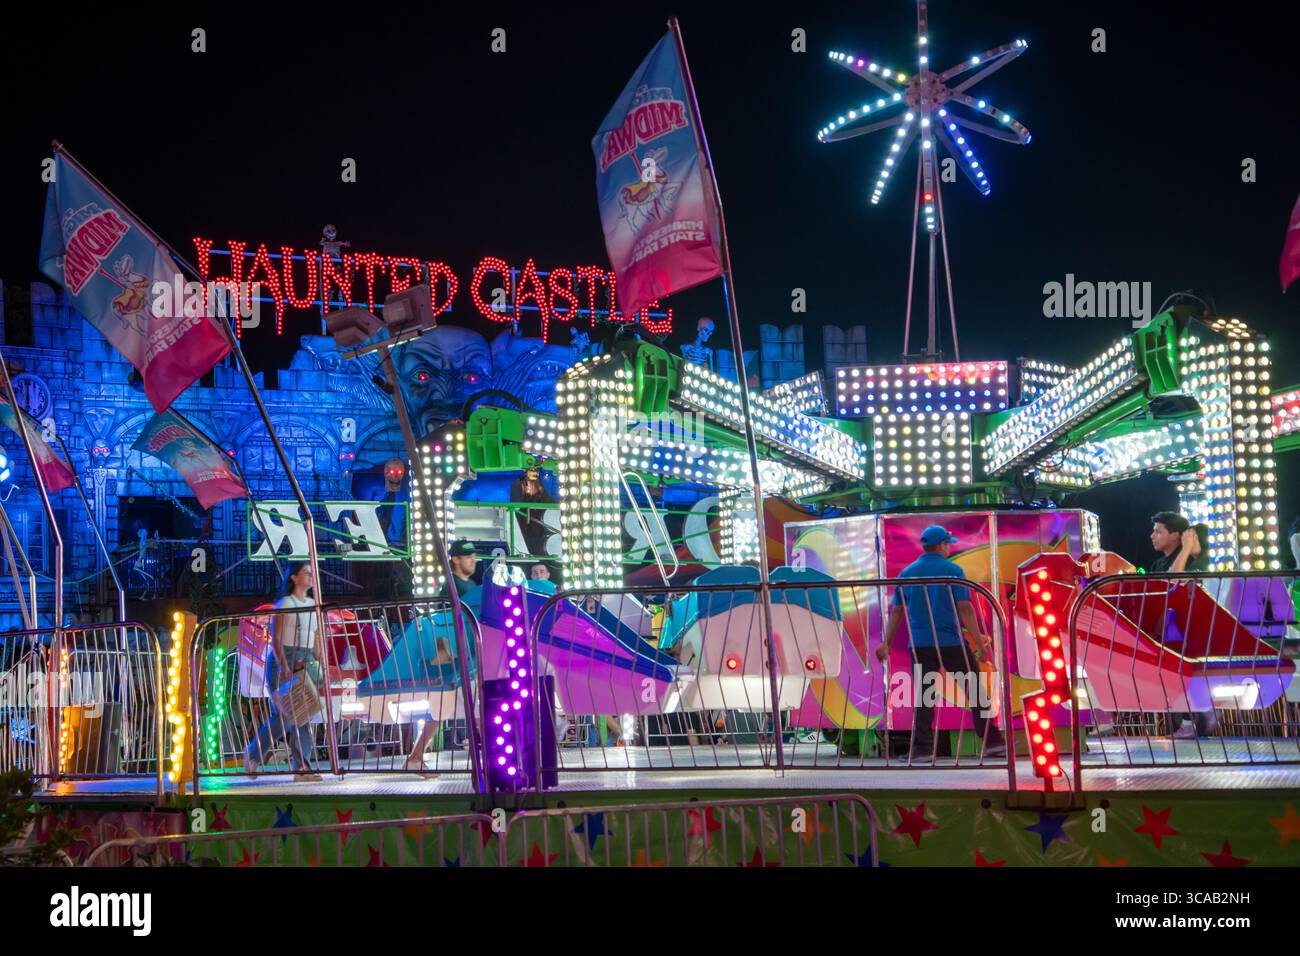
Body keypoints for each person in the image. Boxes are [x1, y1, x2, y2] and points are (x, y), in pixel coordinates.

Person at [876, 525, 1006, 760]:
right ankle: (993, 742)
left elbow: (897, 611)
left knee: (925, 698)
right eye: (949, 543)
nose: (950, 547)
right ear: (942, 545)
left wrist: (886, 643)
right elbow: (965, 608)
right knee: (975, 691)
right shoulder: (953, 570)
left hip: (921, 644)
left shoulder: (907, 573)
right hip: (951, 642)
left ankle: (922, 750)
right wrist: (980, 644)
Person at [404, 540, 479, 774]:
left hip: (470, 656)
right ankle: (415, 757)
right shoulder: (452, 587)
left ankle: (416, 757)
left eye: (473, 555)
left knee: (449, 710)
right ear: (455, 559)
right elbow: (445, 623)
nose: (473, 560)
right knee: (447, 709)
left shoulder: (471, 585)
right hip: (458, 658)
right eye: (467, 556)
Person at [245, 562, 324, 781]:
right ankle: (253, 754)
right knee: (285, 716)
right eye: (306, 573)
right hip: (285, 659)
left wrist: (322, 662)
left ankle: (302, 767)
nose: (310, 576)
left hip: (306, 659)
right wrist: (284, 665)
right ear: (294, 578)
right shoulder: (284, 604)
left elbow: (316, 639)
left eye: (311, 573)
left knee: (305, 716)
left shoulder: (312, 605)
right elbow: (276, 639)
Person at [509, 467, 556, 559]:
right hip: (527, 526)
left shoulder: (544, 487)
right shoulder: (518, 484)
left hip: (541, 525)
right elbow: (516, 507)